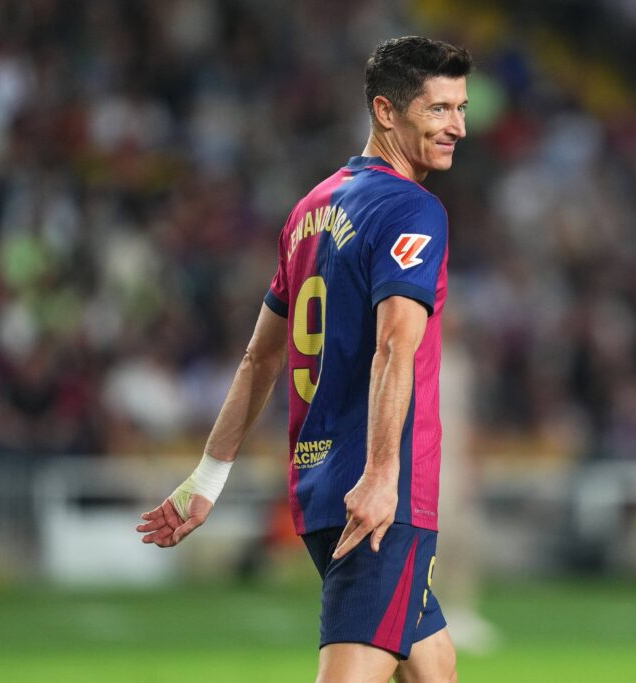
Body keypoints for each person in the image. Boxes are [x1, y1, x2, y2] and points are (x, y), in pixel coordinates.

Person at [136, 36, 471, 682]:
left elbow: (259, 358)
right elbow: (396, 344)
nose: (458, 125)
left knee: (432, 665)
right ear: (386, 110)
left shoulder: (310, 210)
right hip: (378, 496)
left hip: (317, 487)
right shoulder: (413, 210)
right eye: (438, 110)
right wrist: (381, 473)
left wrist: (207, 478)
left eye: (460, 107)